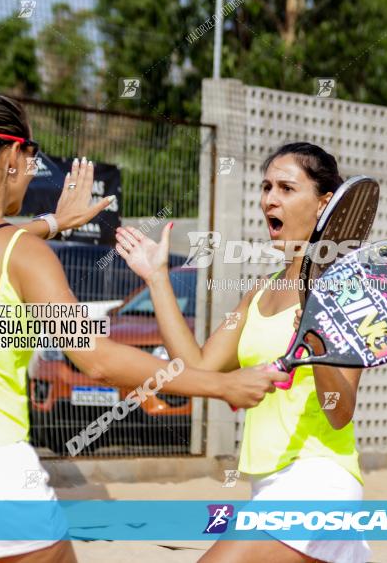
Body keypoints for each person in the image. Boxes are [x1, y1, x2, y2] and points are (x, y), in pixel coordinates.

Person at [0, 91, 287, 563]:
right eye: (33, 154)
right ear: (13, 155)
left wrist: (54, 222)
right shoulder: (20, 253)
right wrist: (219, 385)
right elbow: (96, 360)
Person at [116, 142, 370, 563]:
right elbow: (197, 368)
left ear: (326, 203)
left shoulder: (344, 293)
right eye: (266, 186)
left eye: (287, 188)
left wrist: (318, 331)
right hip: (266, 485)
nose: (269, 198)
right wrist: (157, 277)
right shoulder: (261, 291)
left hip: (318, 483)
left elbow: (340, 410)